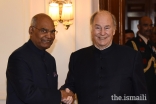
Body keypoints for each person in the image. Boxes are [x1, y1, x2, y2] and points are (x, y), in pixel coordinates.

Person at [60, 10, 149, 104]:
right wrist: (66, 94)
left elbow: (141, 96)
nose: (102, 33)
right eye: (98, 27)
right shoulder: (77, 57)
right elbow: (69, 87)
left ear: (114, 30)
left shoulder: (131, 57)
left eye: (107, 28)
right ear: (92, 29)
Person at [6, 13, 74, 104]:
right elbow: (28, 94)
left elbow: (48, 93)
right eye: (44, 31)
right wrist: (60, 95)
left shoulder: (50, 60)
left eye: (52, 31)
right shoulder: (18, 58)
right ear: (31, 30)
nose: (49, 36)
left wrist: (65, 94)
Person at [126, 16, 156, 104]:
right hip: (140, 89)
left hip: (153, 90)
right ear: (139, 27)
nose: (149, 28)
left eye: (151, 25)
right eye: (146, 25)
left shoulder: (152, 44)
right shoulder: (132, 44)